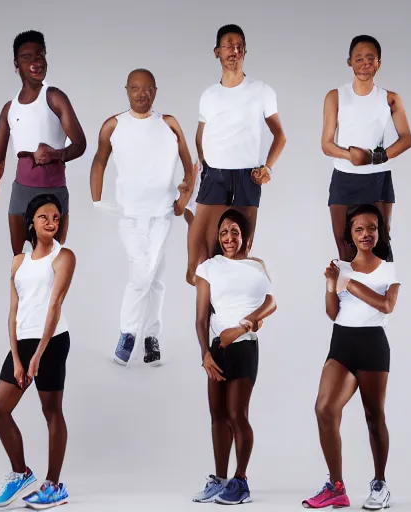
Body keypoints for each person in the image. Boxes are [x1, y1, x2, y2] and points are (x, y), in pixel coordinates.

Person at [89, 68, 195, 367]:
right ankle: (128, 332)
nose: (141, 93)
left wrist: (184, 193)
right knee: (142, 272)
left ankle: (151, 338)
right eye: (135, 88)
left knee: (157, 278)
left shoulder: (169, 124)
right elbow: (99, 159)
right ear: (126, 90)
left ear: (155, 91)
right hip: (131, 216)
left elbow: (189, 165)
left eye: (147, 88)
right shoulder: (114, 125)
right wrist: (96, 200)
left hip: (162, 213)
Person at [302, 204, 398, 510]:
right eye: (359, 229)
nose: (366, 234)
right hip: (342, 343)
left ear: (379, 232)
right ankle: (336, 486)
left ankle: (380, 484)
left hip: (373, 345)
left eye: (371, 228)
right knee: (324, 408)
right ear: (350, 235)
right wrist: (332, 284)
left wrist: (351, 284)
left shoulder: (388, 268)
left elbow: (386, 306)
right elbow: (332, 313)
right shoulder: (339, 266)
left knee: (374, 417)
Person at [0, 194, 75, 509]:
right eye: (44, 217)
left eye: (56, 217)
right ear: (31, 221)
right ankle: (21, 472)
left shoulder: (64, 256)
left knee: (51, 411)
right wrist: (16, 357)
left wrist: (39, 354)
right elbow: (13, 312)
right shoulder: (19, 261)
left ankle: (54, 485)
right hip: (23, 341)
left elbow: (54, 305)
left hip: (52, 340)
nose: (51, 222)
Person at [187, 24, 286, 284]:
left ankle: (237, 315)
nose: (234, 50)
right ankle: (208, 319)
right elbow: (200, 136)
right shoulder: (209, 95)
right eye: (228, 45)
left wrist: (267, 168)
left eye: (239, 46)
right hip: (215, 175)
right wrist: (204, 166)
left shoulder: (262, 91)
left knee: (239, 251)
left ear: (245, 52)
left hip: (247, 176)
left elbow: (280, 135)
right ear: (217, 52)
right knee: (206, 256)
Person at [191, 209, 276, 505]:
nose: (229, 237)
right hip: (216, 349)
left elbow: (271, 303)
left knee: (238, 414)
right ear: (218, 236)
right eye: (224, 232)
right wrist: (205, 354)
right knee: (218, 415)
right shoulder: (209, 268)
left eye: (235, 232)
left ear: (244, 236)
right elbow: (201, 317)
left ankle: (241, 481)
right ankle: (220, 478)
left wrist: (243, 325)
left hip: (244, 346)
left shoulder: (256, 265)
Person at [0, 31, 87, 256]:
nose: (35, 61)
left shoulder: (53, 97)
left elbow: (80, 144)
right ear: (17, 64)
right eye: (27, 57)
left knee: (51, 265)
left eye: (40, 55)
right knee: (20, 264)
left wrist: (55, 155)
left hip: (53, 192)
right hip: (21, 193)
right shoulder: (9, 108)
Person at [322, 35, 411, 262]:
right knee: (345, 248)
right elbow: (326, 144)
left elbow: (406, 139)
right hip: (344, 179)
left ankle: (383, 297)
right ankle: (347, 296)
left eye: (370, 58)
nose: (364, 63)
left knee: (379, 246)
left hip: (377, 179)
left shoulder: (390, 98)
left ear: (378, 63)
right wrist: (350, 156)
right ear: (349, 62)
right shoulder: (335, 96)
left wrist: (375, 157)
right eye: (359, 58)